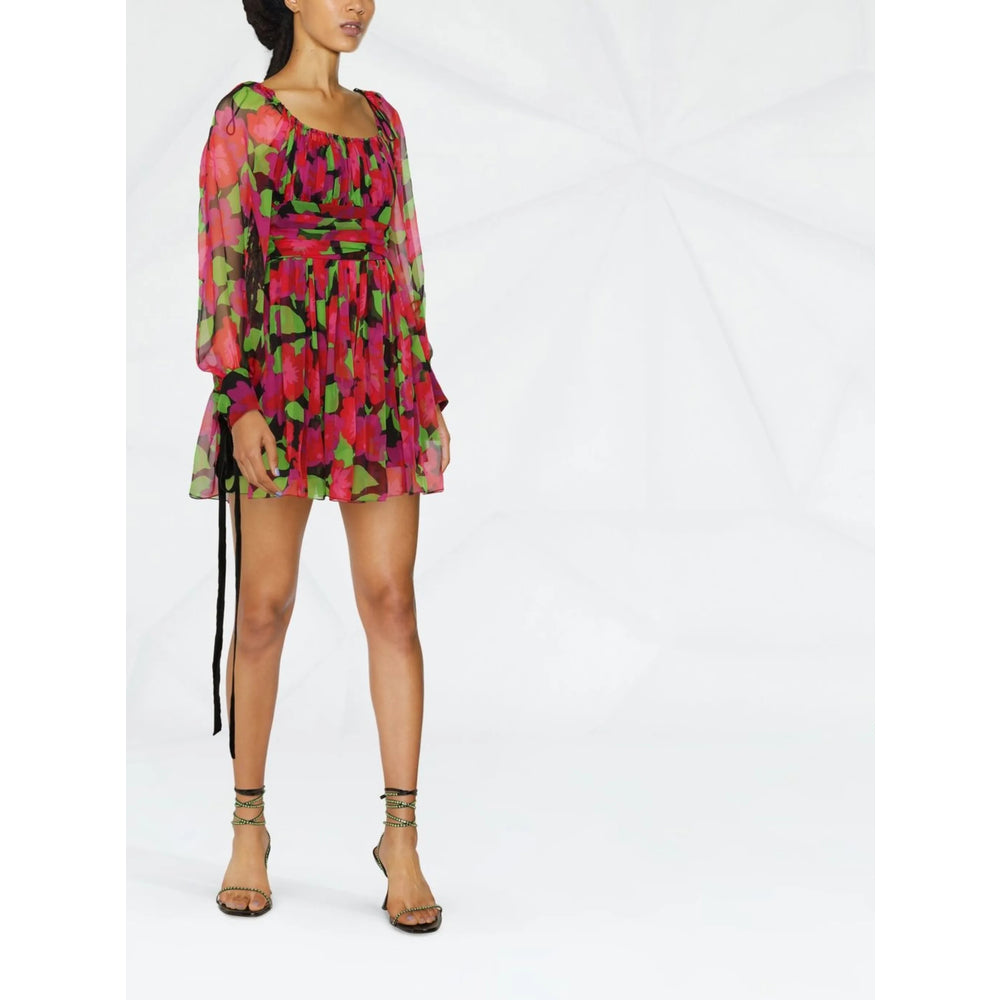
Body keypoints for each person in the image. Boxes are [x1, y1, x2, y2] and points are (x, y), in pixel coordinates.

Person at [186, 0, 449, 932]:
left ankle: (401, 841)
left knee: (392, 602)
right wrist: (240, 396)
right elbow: (224, 260)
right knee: (264, 607)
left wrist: (424, 380)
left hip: (377, 377)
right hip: (283, 377)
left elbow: (403, 258)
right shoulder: (247, 116)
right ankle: (248, 830)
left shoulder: (383, 121)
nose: (356, 6)